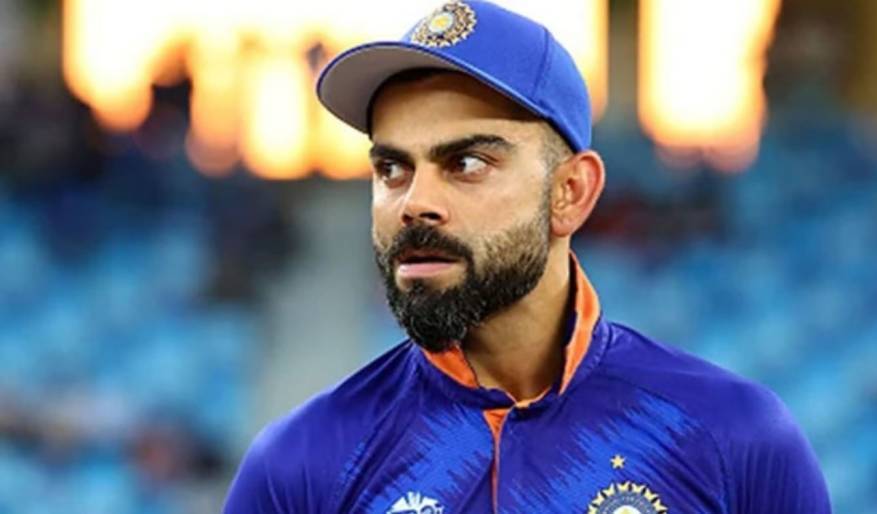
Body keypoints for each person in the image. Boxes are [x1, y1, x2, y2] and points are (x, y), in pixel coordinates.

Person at [223, 2, 831, 513]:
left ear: (571, 193)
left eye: (466, 163)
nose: (414, 203)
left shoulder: (734, 437)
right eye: (392, 168)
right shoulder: (300, 466)